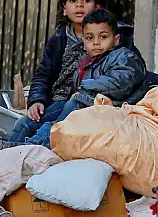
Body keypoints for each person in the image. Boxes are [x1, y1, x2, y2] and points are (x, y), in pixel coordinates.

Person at [7, 0, 109, 142]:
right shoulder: (59, 38)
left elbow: (129, 70)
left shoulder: (110, 37)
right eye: (72, 0)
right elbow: (43, 75)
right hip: (58, 101)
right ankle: (5, 161)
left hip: (86, 104)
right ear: (64, 9)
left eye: (87, 0)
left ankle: (28, 154)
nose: (79, 5)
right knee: (24, 124)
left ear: (98, 7)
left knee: (49, 131)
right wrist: (37, 100)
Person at [25, 8, 147, 147]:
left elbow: (120, 82)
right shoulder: (86, 63)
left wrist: (85, 88)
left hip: (111, 110)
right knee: (32, 121)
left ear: (116, 40)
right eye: (90, 38)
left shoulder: (124, 56)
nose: (96, 42)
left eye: (103, 37)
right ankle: (15, 146)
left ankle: (36, 146)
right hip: (87, 107)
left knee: (66, 115)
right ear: (83, 41)